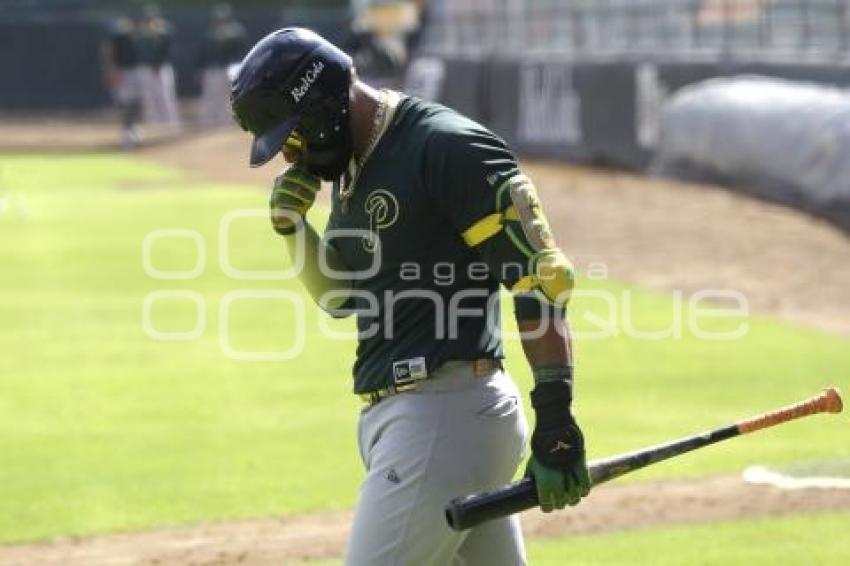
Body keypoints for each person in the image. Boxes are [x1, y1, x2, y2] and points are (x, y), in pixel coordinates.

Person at [231, 28, 590, 565]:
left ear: (321, 104)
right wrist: (294, 229)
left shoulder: (443, 145)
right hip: (417, 420)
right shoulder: (353, 161)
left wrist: (556, 417)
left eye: (292, 134)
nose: (290, 152)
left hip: (441, 415)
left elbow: (540, 279)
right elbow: (343, 298)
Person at [197, 3, 246, 128]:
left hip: (229, 68)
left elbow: (239, 45)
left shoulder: (235, 32)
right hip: (212, 69)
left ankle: (227, 122)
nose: (220, 22)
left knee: (228, 96)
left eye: (222, 19)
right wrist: (200, 69)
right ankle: (208, 122)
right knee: (210, 96)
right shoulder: (208, 35)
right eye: (218, 20)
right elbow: (202, 54)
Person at [100, 15, 143, 148]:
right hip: (123, 72)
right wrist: (111, 69)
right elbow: (108, 52)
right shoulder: (117, 37)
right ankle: (127, 131)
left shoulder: (139, 38)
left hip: (138, 71)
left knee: (137, 102)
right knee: (125, 103)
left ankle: (133, 128)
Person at [136, 4, 181, 127]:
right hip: (146, 68)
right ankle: (153, 124)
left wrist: (158, 32)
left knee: (166, 96)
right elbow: (139, 51)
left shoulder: (164, 31)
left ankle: (171, 123)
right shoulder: (142, 34)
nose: (150, 21)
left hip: (162, 68)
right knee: (148, 98)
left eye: (152, 19)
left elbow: (169, 46)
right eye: (148, 19)